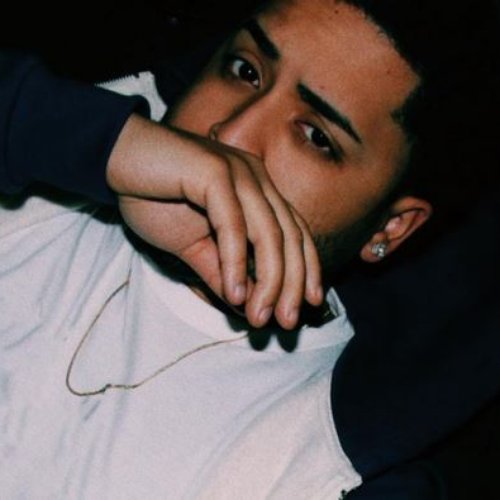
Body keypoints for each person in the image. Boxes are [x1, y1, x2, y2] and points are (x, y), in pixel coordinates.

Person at [1, 0, 499, 498]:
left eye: (316, 137)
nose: (231, 133)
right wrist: (103, 145)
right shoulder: (45, 167)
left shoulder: (326, 459)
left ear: (389, 228)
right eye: (246, 71)